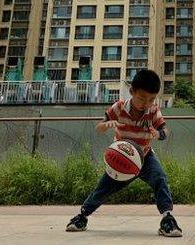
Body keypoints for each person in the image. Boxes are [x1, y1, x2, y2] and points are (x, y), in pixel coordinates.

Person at [66, 69, 182, 237]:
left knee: (160, 178)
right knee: (103, 189)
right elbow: (99, 127)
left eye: (151, 99)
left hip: (144, 157)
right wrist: (107, 125)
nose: (146, 103)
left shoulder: (153, 111)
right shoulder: (119, 107)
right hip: (122, 159)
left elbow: (165, 131)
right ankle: (82, 216)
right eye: (142, 98)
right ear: (132, 92)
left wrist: (158, 134)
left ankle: (167, 219)